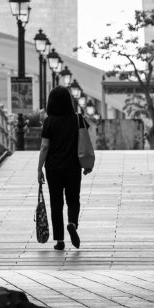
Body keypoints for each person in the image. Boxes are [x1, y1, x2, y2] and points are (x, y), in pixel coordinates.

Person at [37, 86, 88, 250]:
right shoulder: (78, 119)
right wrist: (87, 164)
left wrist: (39, 169)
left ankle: (59, 240)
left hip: (53, 168)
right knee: (73, 200)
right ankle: (72, 223)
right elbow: (85, 142)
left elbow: (45, 146)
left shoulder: (49, 121)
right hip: (73, 166)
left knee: (56, 203)